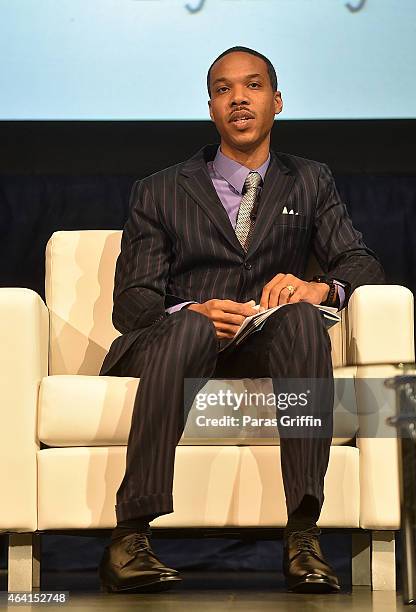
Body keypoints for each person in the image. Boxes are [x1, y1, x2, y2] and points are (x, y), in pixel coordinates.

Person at [98, 46, 385, 594]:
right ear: (211, 107)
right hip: (178, 340)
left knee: (302, 321)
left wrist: (317, 286)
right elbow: (132, 303)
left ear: (276, 101)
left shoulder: (310, 180)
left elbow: (360, 262)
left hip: (264, 339)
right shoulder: (160, 189)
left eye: (252, 86)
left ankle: (303, 532)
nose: (239, 99)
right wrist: (195, 309)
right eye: (224, 90)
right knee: (188, 327)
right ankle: (128, 537)